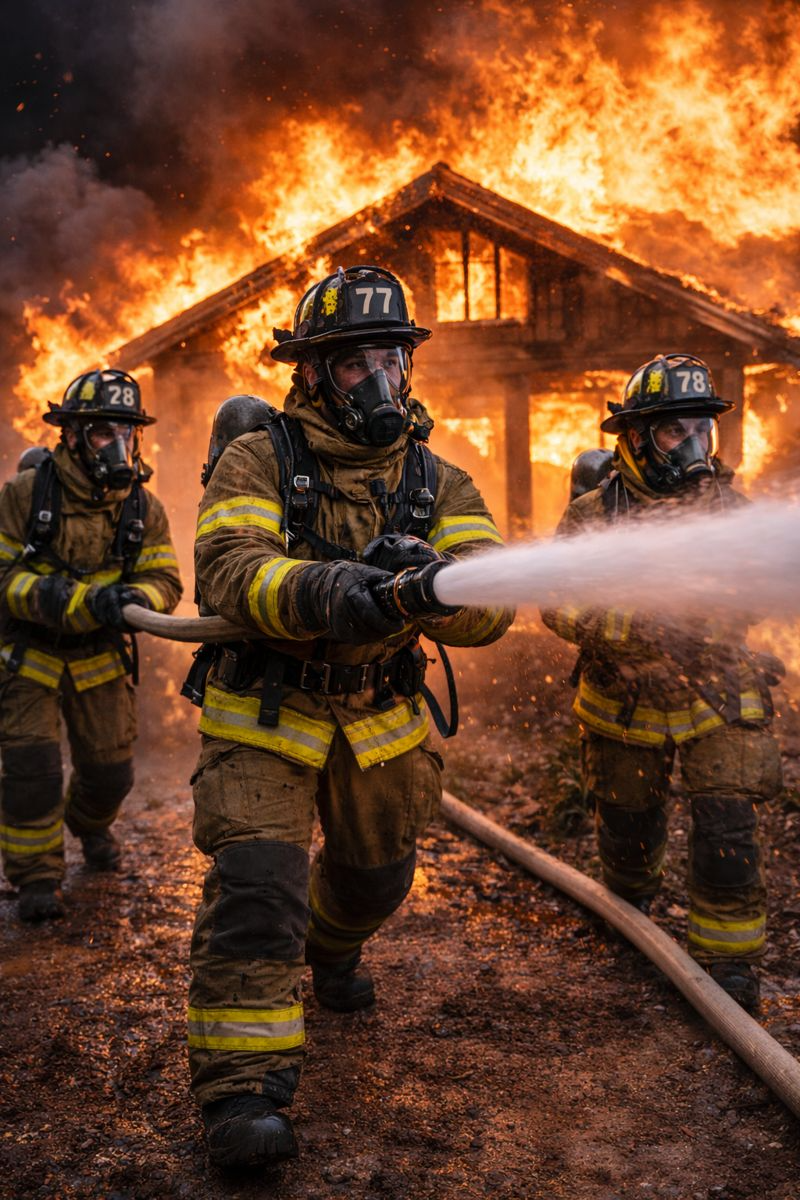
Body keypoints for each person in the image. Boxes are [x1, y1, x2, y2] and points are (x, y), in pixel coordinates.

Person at [188, 264, 514, 1169]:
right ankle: (243, 1091)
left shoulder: (436, 480)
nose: (377, 380)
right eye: (351, 364)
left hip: (378, 721)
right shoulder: (264, 457)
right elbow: (228, 568)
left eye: (390, 359)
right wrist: (331, 588)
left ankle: (329, 954)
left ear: (409, 367)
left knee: (375, 884)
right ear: (312, 373)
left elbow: (493, 606)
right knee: (258, 889)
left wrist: (429, 586)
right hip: (265, 709)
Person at [542, 353, 783, 1014]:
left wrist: (713, 611)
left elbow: (761, 592)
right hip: (625, 705)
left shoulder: (732, 511)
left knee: (728, 833)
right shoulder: (594, 514)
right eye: (678, 432)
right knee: (628, 836)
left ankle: (730, 968)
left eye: (703, 430)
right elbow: (555, 602)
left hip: (717, 698)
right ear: (638, 437)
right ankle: (631, 922)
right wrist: (635, 623)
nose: (696, 446)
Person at [0, 369, 182, 922]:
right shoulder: (26, 494)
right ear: (72, 435)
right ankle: (36, 878)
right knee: (31, 772)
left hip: (100, 656)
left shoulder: (142, 509)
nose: (119, 445)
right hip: (29, 653)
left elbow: (167, 581)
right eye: (105, 431)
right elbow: (2, 575)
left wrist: (131, 597)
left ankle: (89, 823)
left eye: (127, 431)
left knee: (110, 774)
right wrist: (68, 599)